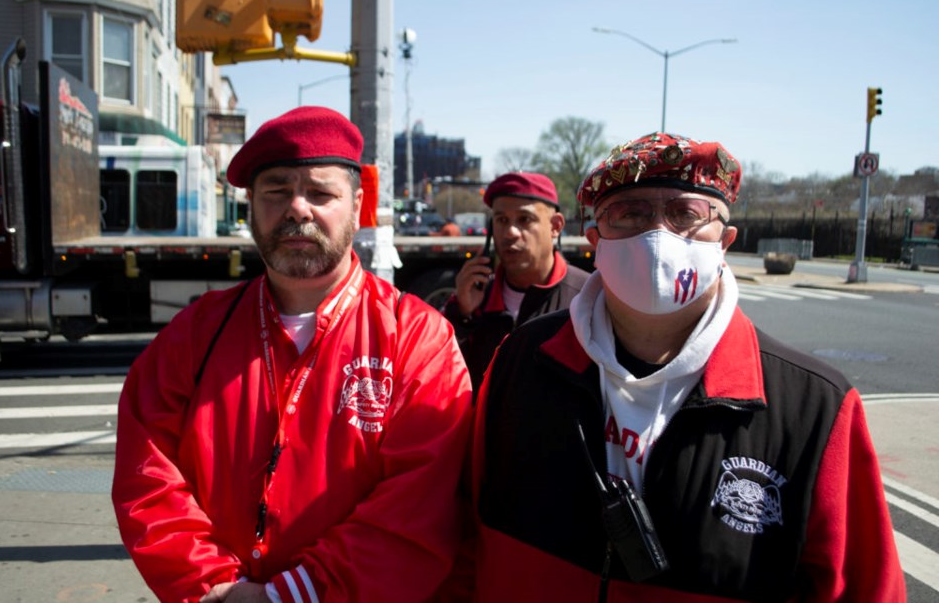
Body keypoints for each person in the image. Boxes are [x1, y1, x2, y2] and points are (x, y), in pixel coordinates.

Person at [471, 133, 905, 601]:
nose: (658, 234)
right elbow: (464, 533)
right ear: (595, 239)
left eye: (686, 214)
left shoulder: (815, 408)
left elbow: (865, 588)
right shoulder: (521, 360)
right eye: (630, 213)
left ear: (726, 241)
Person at [112, 106, 473, 603]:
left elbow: (419, 503)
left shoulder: (417, 338)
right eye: (276, 191)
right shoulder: (195, 333)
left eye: (321, 193)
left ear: (358, 203)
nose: (298, 208)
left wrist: (290, 596)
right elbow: (148, 477)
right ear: (251, 205)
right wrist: (214, 588)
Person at [442, 172, 590, 391]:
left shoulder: (587, 298)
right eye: (501, 220)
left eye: (524, 219)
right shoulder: (473, 300)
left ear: (555, 226)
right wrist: (461, 316)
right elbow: (443, 379)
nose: (510, 232)